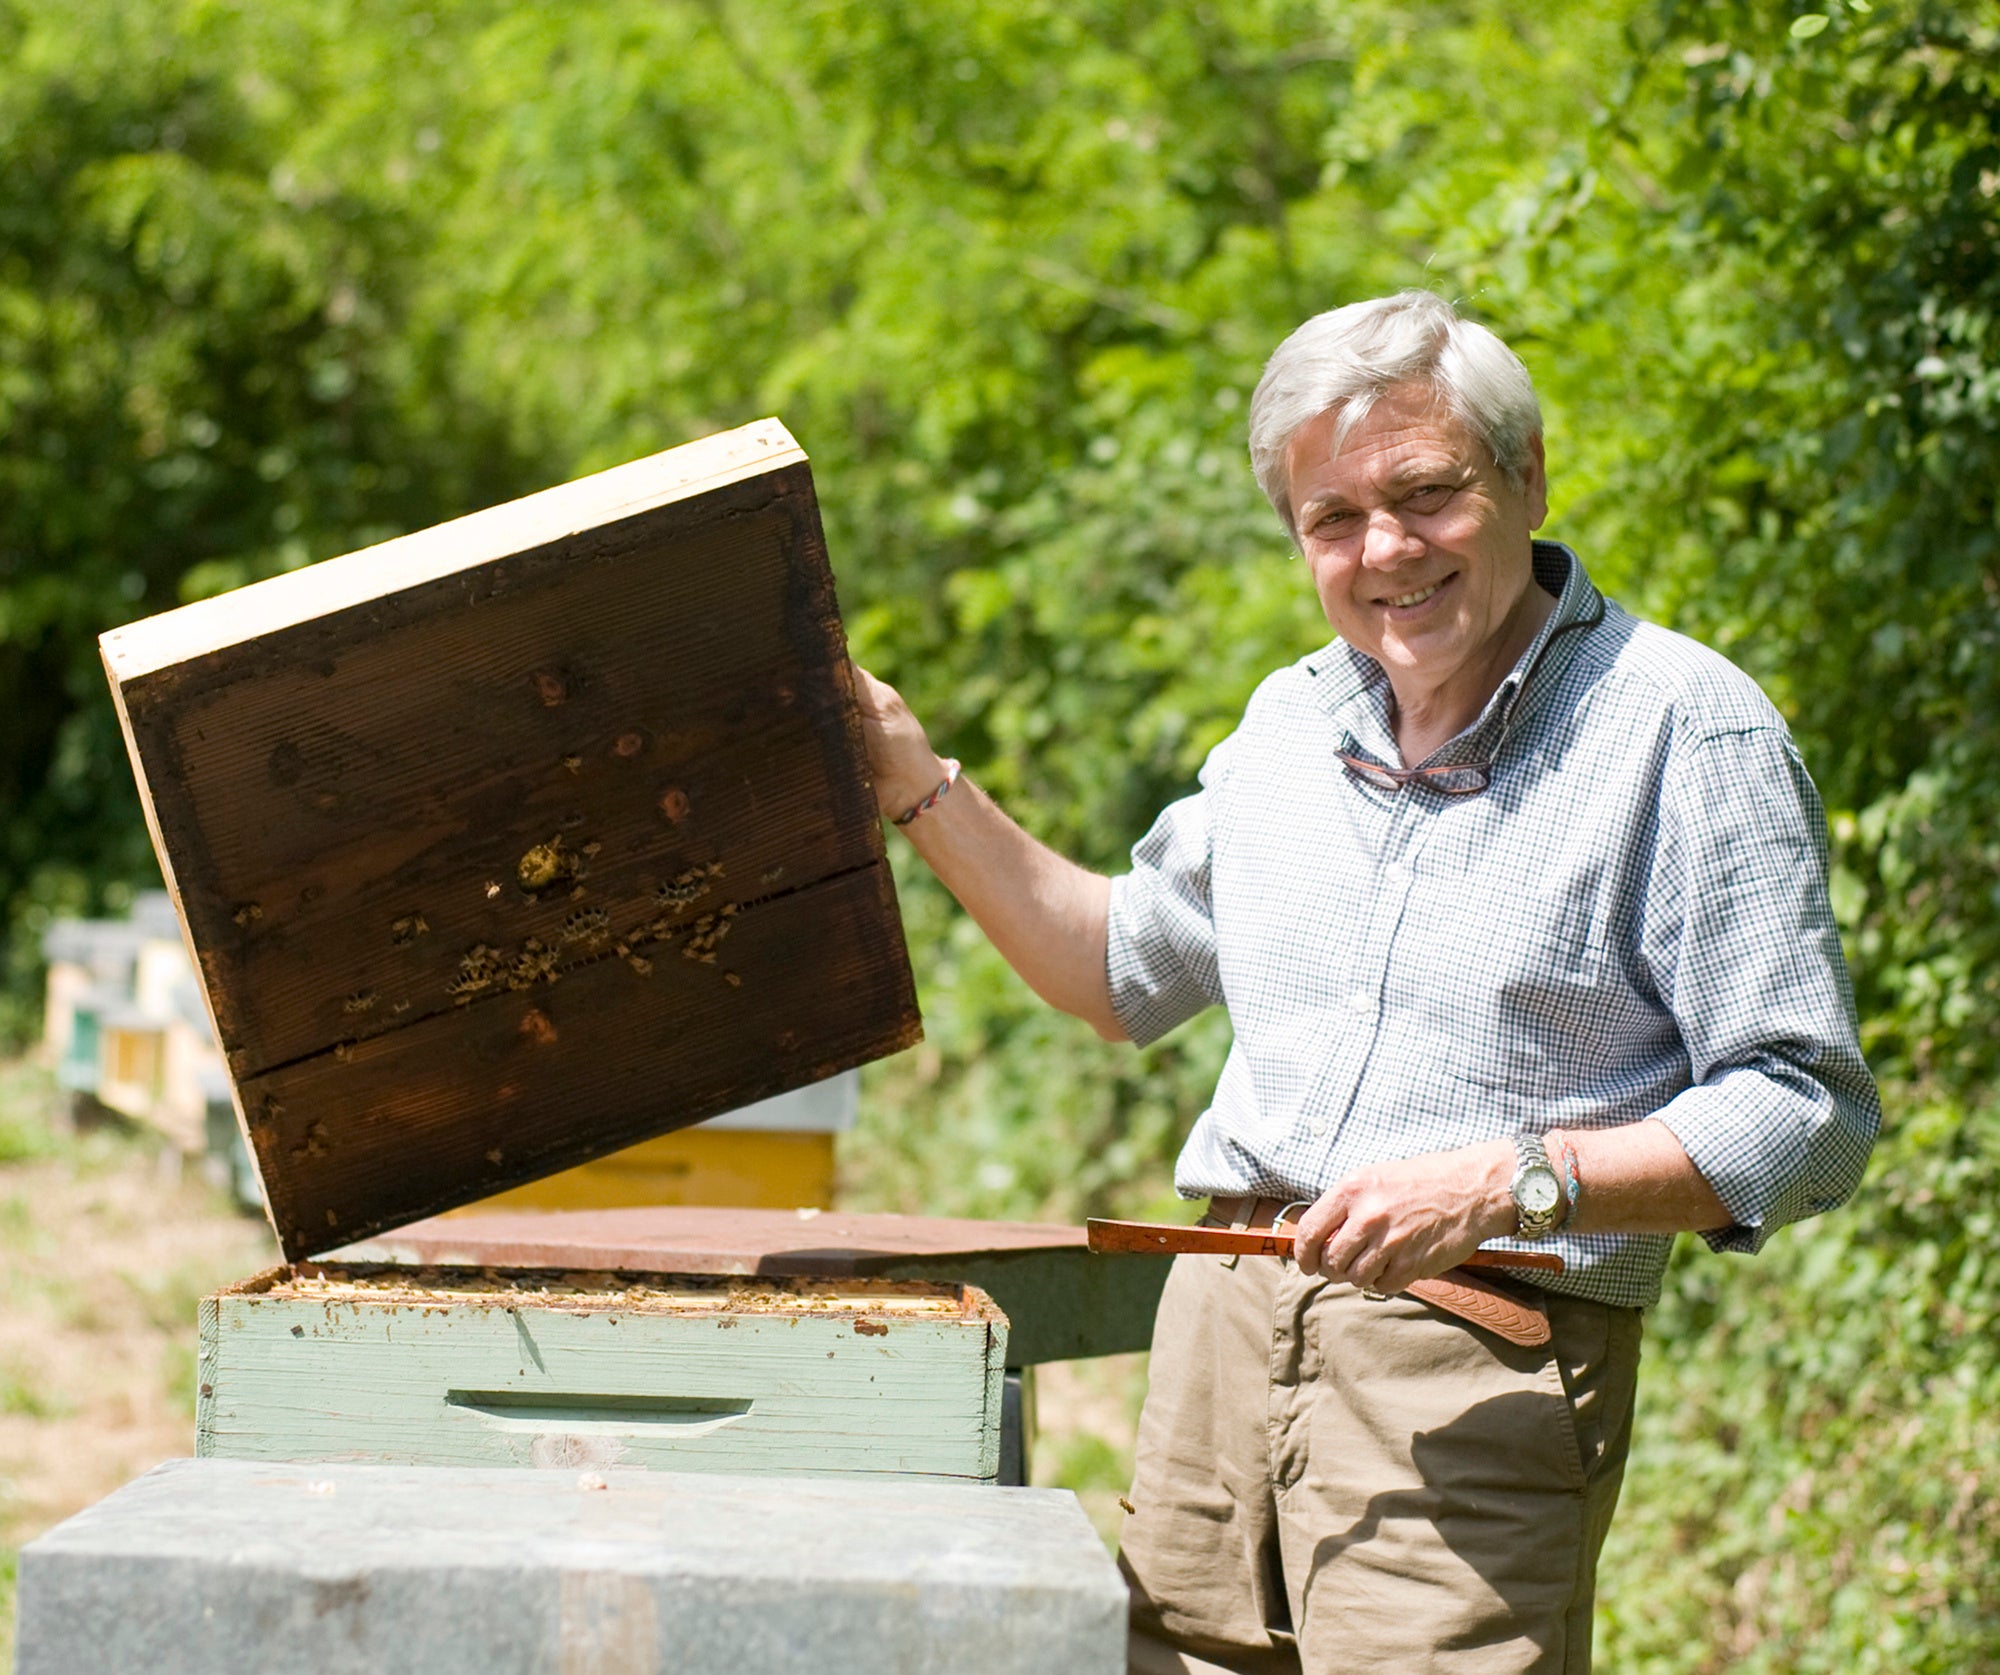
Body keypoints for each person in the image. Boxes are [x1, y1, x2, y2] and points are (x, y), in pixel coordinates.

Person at [851, 289, 1878, 1675]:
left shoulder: (1684, 731)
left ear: (1527, 478)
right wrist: (913, 781)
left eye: (1429, 494)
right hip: (1218, 1348)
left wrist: (1508, 1180)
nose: (1386, 548)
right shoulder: (1290, 721)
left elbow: (1806, 1112)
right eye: (1333, 519)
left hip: (1469, 1372)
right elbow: (1113, 970)